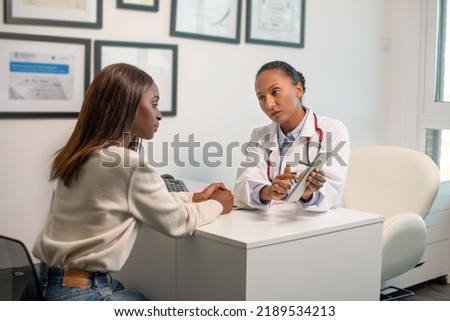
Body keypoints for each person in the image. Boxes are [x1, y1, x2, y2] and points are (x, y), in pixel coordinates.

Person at [26, 63, 234, 301]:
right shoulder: (125, 164)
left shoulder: (81, 155)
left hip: (45, 282)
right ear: (127, 107)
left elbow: (129, 201)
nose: (159, 114)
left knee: (134, 292)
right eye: (154, 104)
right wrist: (217, 204)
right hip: (80, 292)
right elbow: (179, 222)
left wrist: (192, 197)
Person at [233, 60, 349, 212]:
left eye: (275, 92)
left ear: (298, 89)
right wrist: (269, 192)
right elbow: (245, 182)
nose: (268, 104)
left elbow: (333, 190)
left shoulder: (332, 130)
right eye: (261, 97)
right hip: (271, 222)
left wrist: (307, 193)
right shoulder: (260, 136)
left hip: (318, 222)